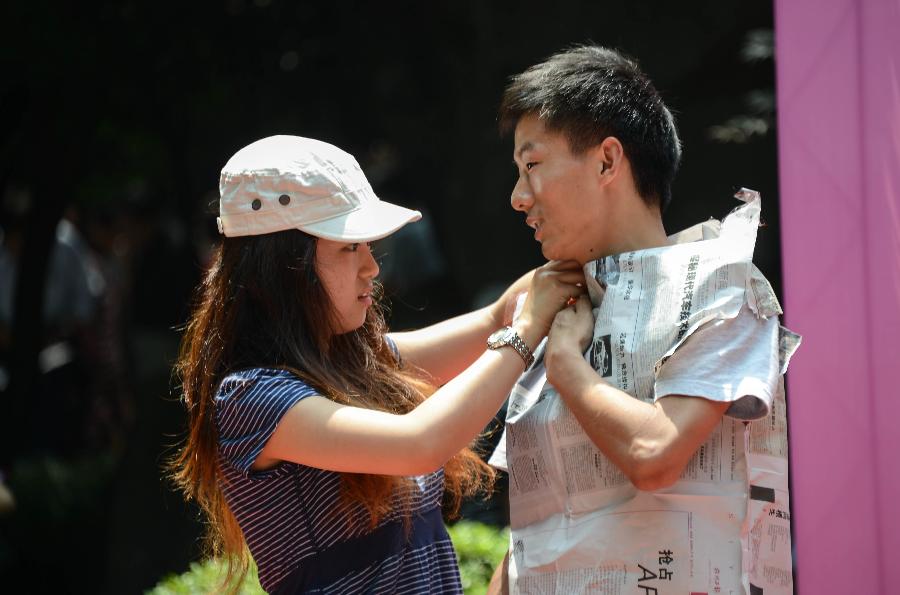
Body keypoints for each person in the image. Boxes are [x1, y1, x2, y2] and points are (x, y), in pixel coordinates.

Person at [169, 135, 588, 594]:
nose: (372, 266)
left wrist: (585, 245)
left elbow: (495, 315)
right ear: (284, 267)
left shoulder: (353, 361)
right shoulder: (252, 396)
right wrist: (525, 332)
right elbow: (420, 443)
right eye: (349, 248)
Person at [488, 46, 797, 593]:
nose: (517, 198)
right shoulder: (555, 304)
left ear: (608, 161)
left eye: (532, 165)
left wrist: (566, 366)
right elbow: (527, 540)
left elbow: (654, 455)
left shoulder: (721, 282)